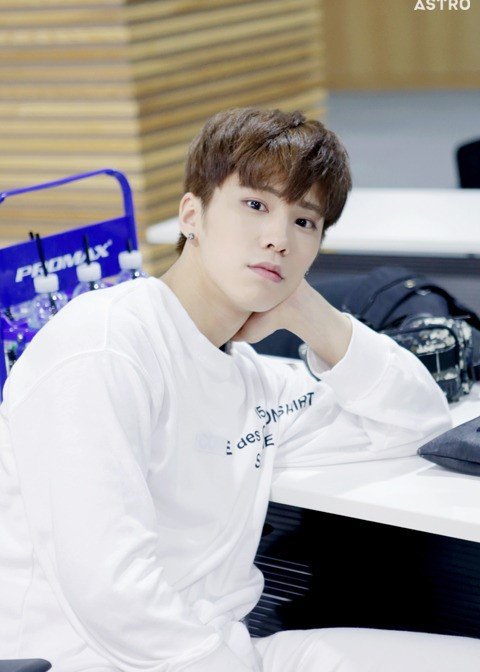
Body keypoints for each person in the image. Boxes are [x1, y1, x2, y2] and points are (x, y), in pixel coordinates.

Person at [1, 107, 479, 672]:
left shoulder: (251, 379)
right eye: (255, 205)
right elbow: (110, 596)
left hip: (226, 652)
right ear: (192, 215)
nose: (278, 239)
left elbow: (418, 422)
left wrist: (310, 313)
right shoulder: (105, 346)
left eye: (304, 222)